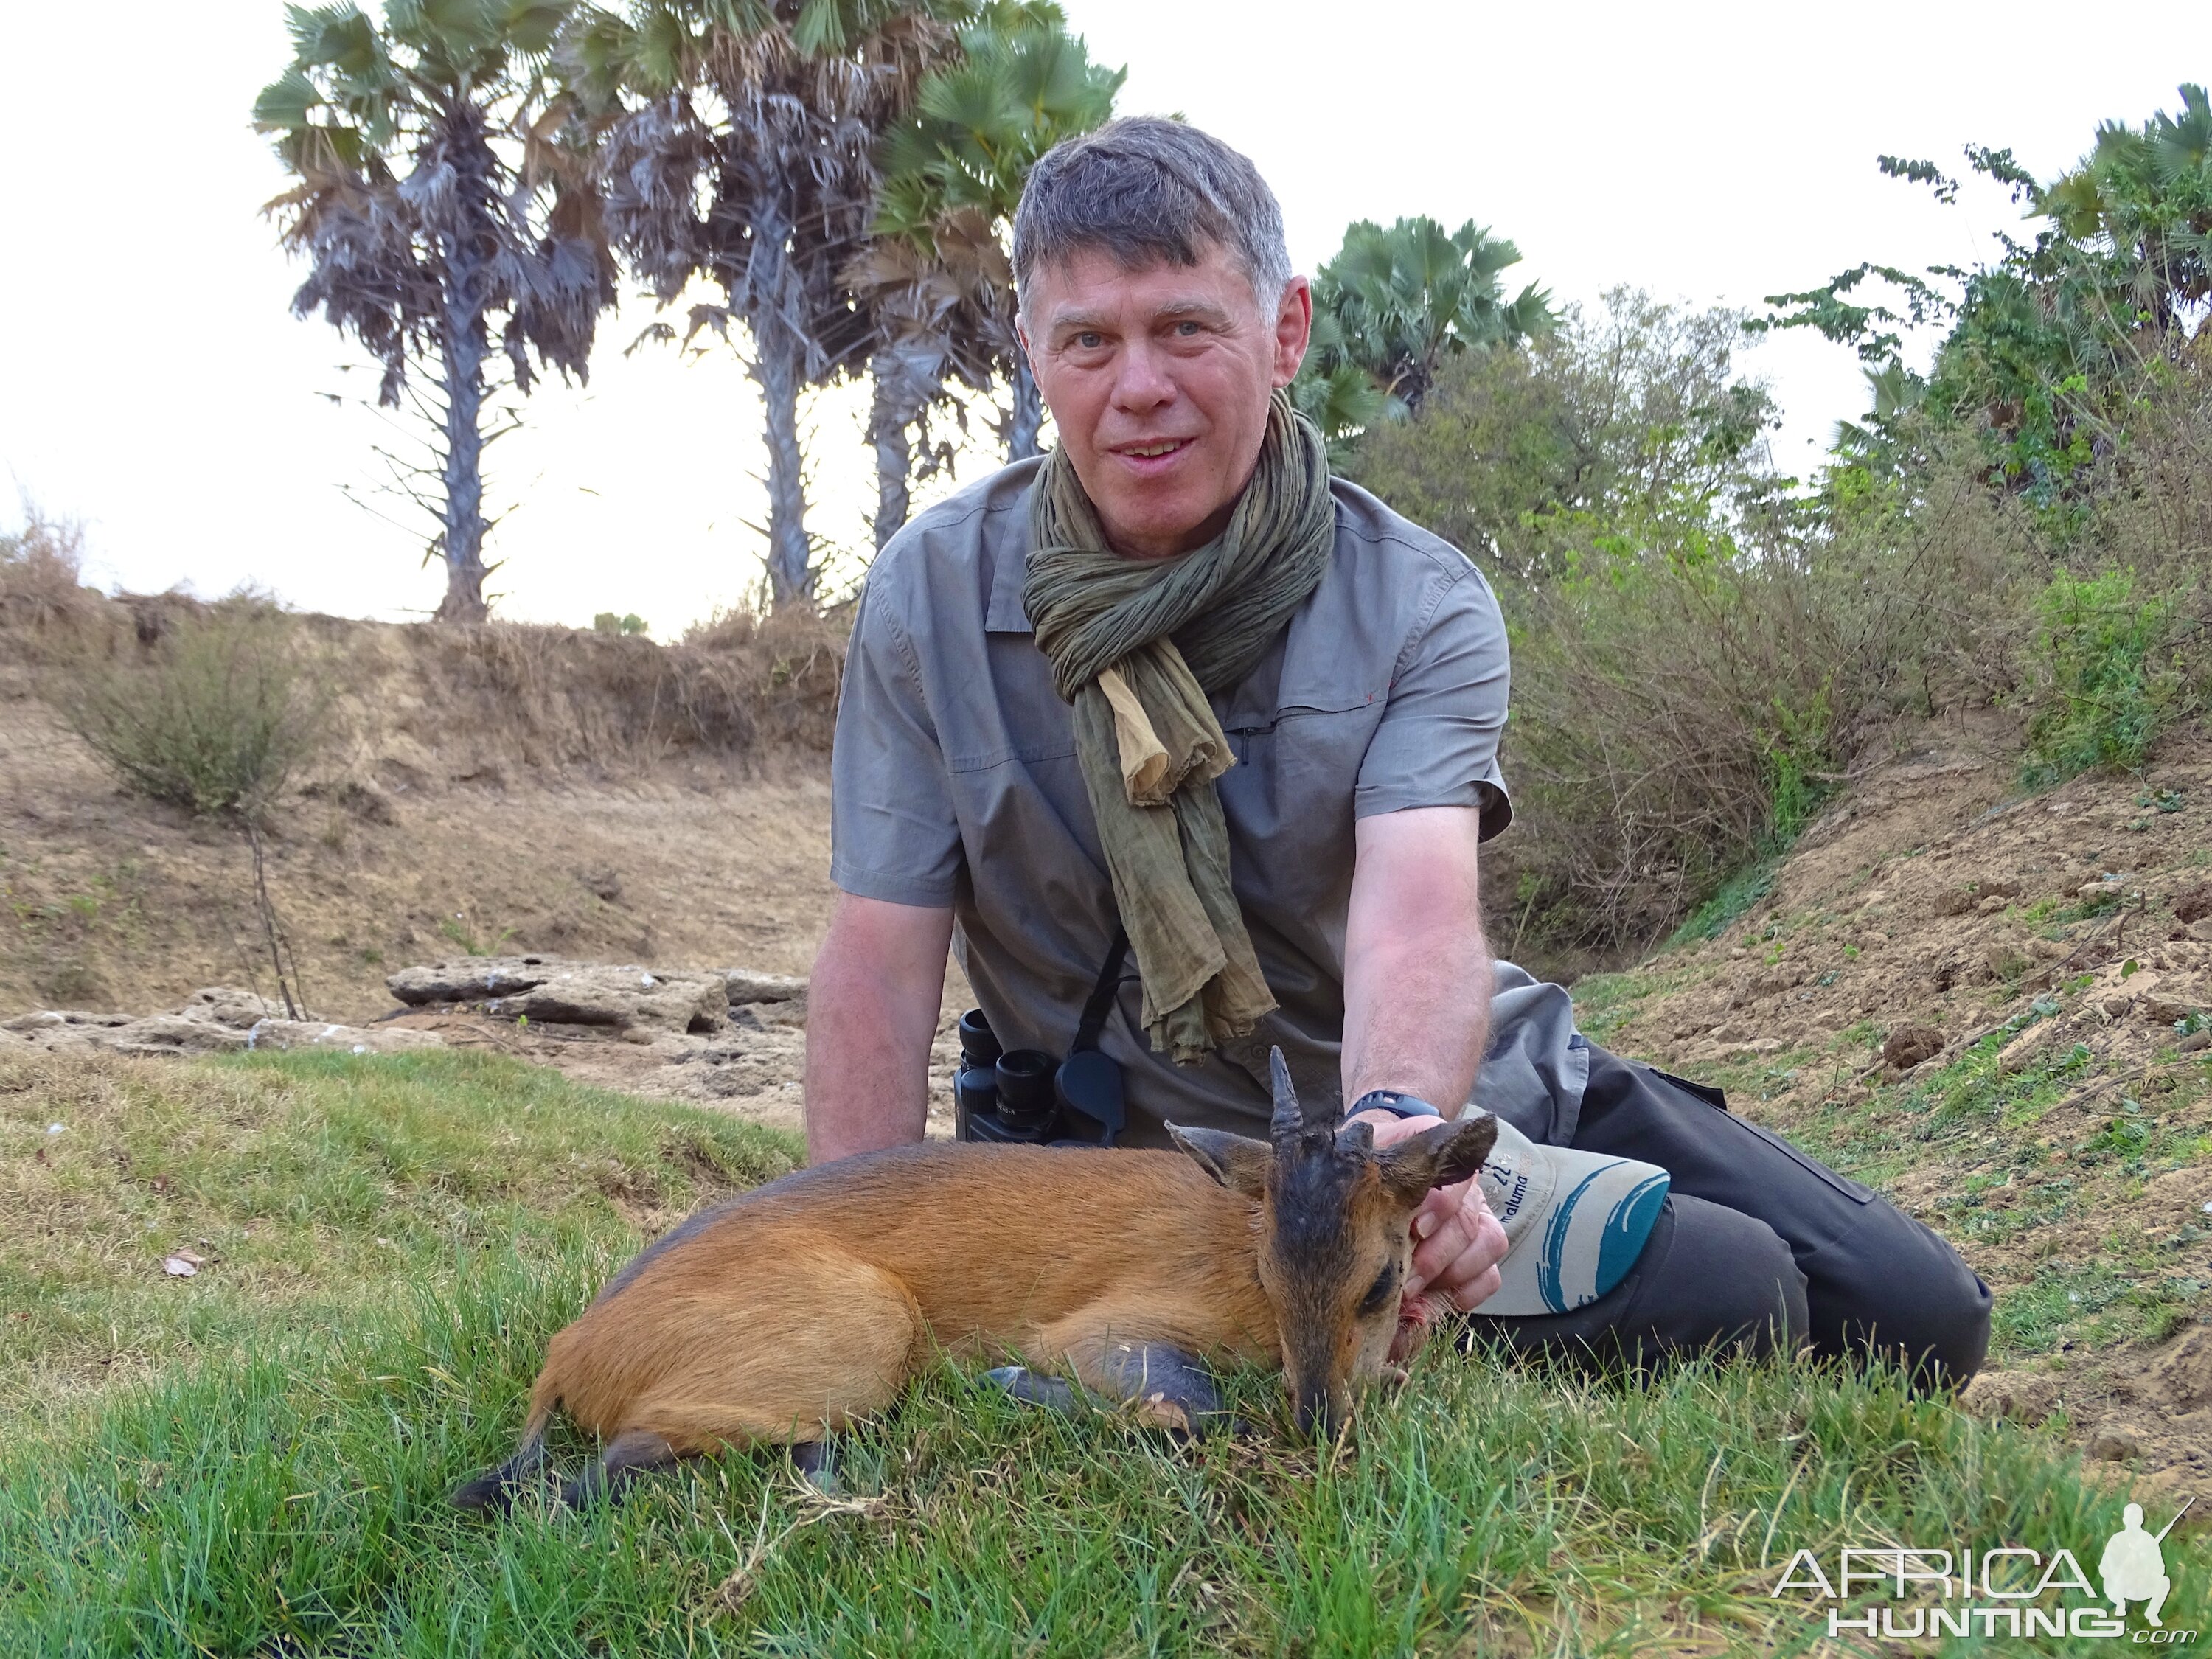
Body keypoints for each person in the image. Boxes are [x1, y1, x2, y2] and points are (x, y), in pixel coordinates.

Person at [804, 116, 1990, 1382]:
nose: (1136, 385)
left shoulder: (1419, 599)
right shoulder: (927, 596)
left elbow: (1418, 921)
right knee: (1739, 1295)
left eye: (1186, 328)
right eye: (1087, 340)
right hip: (1198, 1174)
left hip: (1434, 1108)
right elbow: (878, 960)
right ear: (1035, 354)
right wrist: (830, 1246)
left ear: (1286, 330)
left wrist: (1399, 1136)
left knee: (1918, 1314)